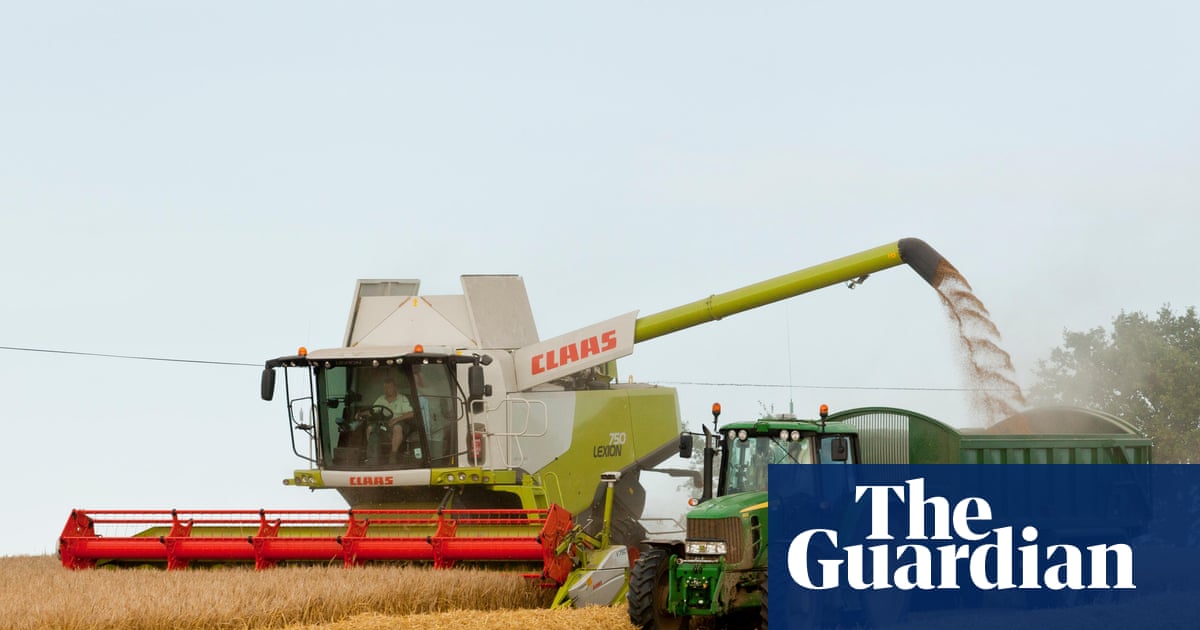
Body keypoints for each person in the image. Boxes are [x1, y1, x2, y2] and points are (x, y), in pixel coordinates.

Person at [373, 375, 416, 463]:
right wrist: (360, 413)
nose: (387, 389)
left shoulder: (402, 398)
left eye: (389, 387)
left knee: (397, 428)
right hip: (384, 424)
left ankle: (393, 455)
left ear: (395, 387)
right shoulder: (381, 398)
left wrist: (396, 420)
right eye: (385, 387)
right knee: (370, 428)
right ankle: (372, 455)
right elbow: (373, 410)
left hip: (400, 423)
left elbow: (411, 413)